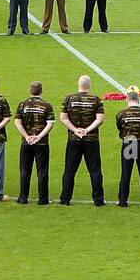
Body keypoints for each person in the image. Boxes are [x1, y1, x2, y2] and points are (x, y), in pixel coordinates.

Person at [59, 75, 105, 206]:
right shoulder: (96, 99)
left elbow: (63, 118)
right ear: (89, 85)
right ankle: (98, 200)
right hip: (91, 139)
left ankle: (65, 199)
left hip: (74, 139)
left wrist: (75, 130)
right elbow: (100, 119)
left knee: (69, 170)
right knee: (95, 170)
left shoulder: (69, 99)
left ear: (78, 84)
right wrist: (87, 130)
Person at [13, 80, 55, 205]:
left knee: (25, 170)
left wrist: (26, 136)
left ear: (30, 91)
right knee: (42, 171)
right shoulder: (46, 105)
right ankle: (43, 199)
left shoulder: (22, 104)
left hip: (26, 143)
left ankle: (23, 198)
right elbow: (50, 123)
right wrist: (39, 136)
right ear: (41, 91)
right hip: (42, 143)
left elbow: (17, 122)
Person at [115, 87, 140, 207]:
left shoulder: (122, 113)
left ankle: (122, 201)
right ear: (138, 99)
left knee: (126, 173)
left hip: (129, 143)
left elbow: (120, 127)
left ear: (127, 99)